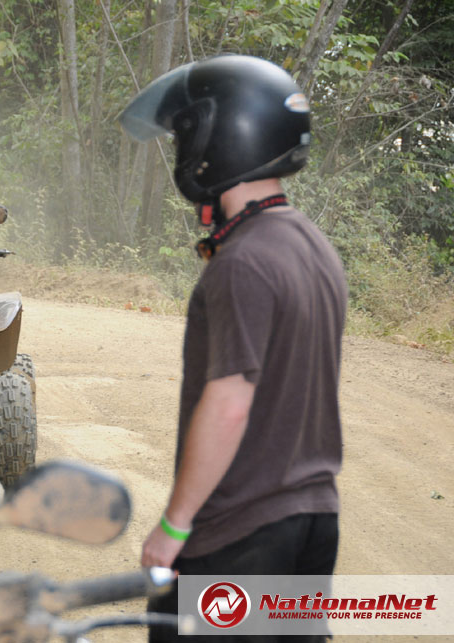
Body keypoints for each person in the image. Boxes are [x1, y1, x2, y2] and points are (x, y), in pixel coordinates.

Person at [120, 55, 348, 640]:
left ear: (217, 137)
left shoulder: (242, 261)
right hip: (312, 518)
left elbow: (229, 405)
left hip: (240, 533)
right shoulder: (313, 246)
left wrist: (173, 528)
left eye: (187, 133)